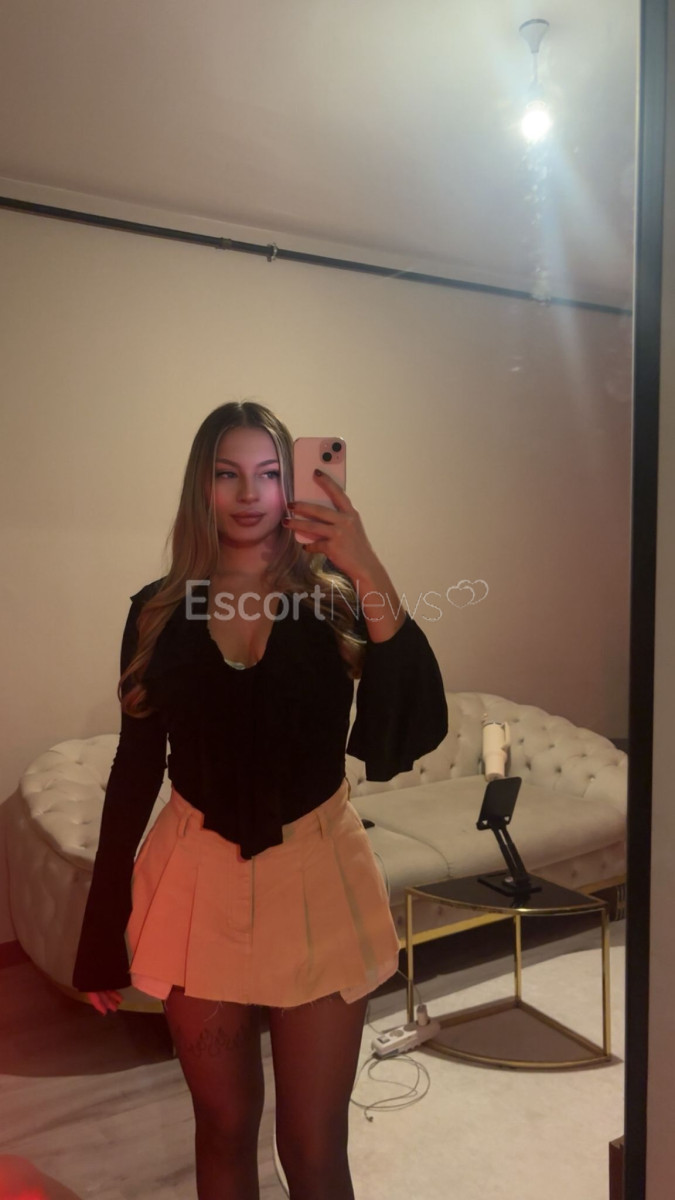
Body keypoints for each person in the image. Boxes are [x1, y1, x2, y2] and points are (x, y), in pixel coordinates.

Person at [72, 400, 448, 1200]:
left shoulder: (333, 600)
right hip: (195, 879)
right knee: (223, 1126)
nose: (249, 494)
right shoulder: (160, 609)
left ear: (293, 485)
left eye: (270, 474)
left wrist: (365, 564)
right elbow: (135, 768)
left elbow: (407, 731)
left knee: (313, 1148)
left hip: (318, 876)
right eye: (227, 474)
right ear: (200, 487)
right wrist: (100, 925)